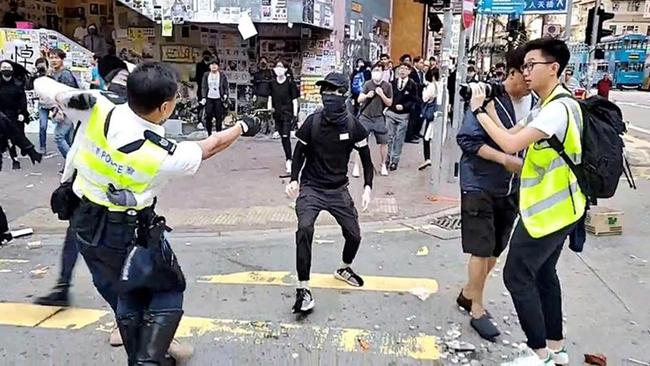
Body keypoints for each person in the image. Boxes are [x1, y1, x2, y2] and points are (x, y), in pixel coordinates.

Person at [34, 62, 260, 365]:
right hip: (125, 230)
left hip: (82, 221)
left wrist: (73, 99)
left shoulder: (98, 107)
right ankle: (146, 359)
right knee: (168, 288)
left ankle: (143, 345)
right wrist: (243, 127)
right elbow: (210, 146)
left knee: (116, 287)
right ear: (165, 107)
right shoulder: (162, 154)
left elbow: (42, 85)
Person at [469, 38, 585, 366]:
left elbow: (508, 143)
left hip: (548, 213)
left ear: (554, 68)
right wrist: (487, 103)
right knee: (545, 273)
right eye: (524, 66)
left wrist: (478, 110)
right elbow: (508, 129)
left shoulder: (557, 111)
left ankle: (539, 354)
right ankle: (556, 348)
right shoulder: (549, 104)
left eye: (532, 65)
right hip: (563, 209)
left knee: (517, 276)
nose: (526, 72)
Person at [456, 46, 535, 342]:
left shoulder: (537, 102)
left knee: (495, 250)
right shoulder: (488, 98)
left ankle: (467, 293)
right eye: (525, 72)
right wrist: (505, 160)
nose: (529, 79)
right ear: (512, 71)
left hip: (513, 187)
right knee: (481, 247)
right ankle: (477, 308)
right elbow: (466, 138)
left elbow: (516, 136)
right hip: (479, 183)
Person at [285, 72, 373, 313]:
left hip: (338, 190)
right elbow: (298, 153)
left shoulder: (354, 126)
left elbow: (367, 160)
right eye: (325, 91)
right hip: (312, 188)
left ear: (343, 95)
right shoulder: (312, 122)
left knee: (354, 235)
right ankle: (303, 289)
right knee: (304, 229)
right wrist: (294, 179)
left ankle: (345, 267)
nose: (328, 96)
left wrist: (368, 187)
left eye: (334, 92)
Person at [355, 62, 393, 177]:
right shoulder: (367, 84)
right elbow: (359, 99)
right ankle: (357, 166)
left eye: (379, 70)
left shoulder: (387, 86)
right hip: (365, 117)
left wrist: (382, 95)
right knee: (360, 141)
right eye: (375, 70)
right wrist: (367, 96)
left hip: (379, 117)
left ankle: (383, 165)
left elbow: (389, 103)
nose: (377, 73)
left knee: (384, 141)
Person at [268, 60, 299, 175]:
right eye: (277, 66)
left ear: (286, 69)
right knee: (282, 137)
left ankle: (289, 161)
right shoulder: (272, 83)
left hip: (287, 113)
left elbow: (294, 99)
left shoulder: (290, 83)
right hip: (277, 113)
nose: (278, 69)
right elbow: (270, 97)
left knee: (286, 136)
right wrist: (269, 110)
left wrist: (295, 115)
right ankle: (289, 156)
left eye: (281, 67)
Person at [386, 63, 418, 172]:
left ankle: (395, 160)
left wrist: (405, 106)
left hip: (404, 115)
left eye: (405, 69)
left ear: (409, 71)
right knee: (389, 136)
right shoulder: (393, 83)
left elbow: (414, 100)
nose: (402, 71)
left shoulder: (412, 84)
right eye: (401, 68)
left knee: (399, 138)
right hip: (391, 113)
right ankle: (387, 158)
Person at [49, 48, 78, 161]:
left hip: (67, 110)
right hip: (67, 110)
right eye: (51, 57)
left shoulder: (65, 74)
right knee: (69, 138)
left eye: (56, 57)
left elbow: (69, 94)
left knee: (59, 136)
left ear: (62, 59)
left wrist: (61, 109)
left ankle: (72, 163)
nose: (53, 60)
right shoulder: (55, 73)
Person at [0, 60, 29, 170]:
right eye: (4, 68)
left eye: (8, 68)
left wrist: (22, 112)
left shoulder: (18, 84)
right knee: (8, 138)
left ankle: (24, 147)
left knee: (19, 134)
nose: (6, 70)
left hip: (16, 113)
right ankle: (15, 159)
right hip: (3, 115)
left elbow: (23, 100)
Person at [200, 57, 229, 135]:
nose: (214, 66)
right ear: (209, 66)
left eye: (215, 64)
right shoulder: (206, 75)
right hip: (209, 98)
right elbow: (204, 86)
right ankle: (209, 133)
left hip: (218, 98)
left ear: (218, 66)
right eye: (212, 64)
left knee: (218, 116)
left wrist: (225, 94)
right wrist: (203, 97)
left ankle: (218, 133)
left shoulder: (222, 75)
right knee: (208, 115)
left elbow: (225, 86)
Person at [418, 68, 440, 171]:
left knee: (426, 137)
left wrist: (424, 90)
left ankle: (428, 158)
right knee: (437, 138)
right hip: (440, 115)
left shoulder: (431, 86)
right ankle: (437, 159)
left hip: (431, 115)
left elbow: (425, 98)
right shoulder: (442, 85)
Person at [405, 56, 426, 143]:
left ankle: (415, 133)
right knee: (412, 118)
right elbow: (413, 86)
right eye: (421, 63)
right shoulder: (412, 73)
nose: (422, 65)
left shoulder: (421, 73)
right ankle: (409, 136)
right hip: (413, 99)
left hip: (419, 98)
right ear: (415, 63)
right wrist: (422, 86)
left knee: (418, 117)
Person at [35, 58, 51, 153]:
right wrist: (33, 76)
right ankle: (42, 146)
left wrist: (49, 75)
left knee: (62, 126)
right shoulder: (36, 77)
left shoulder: (52, 75)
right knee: (43, 126)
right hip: (42, 104)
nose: (41, 68)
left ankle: (67, 144)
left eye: (43, 66)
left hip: (54, 104)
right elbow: (28, 86)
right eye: (39, 66)